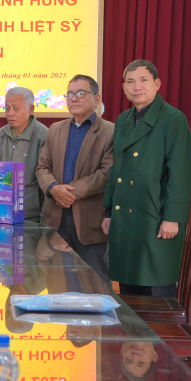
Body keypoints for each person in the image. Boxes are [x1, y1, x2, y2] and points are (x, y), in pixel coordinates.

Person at [102, 60, 191, 298]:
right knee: (129, 288)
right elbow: (117, 170)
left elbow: (181, 173)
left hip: (156, 216)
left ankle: (160, 326)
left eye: (143, 80)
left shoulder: (173, 119)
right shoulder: (123, 119)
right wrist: (109, 211)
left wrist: (172, 218)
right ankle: (132, 324)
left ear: (157, 84)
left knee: (158, 287)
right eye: (130, 82)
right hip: (125, 217)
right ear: (124, 88)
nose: (137, 87)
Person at [36, 75, 114, 280]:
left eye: (80, 93)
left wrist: (69, 193)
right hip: (56, 221)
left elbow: (108, 172)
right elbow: (42, 167)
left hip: (90, 225)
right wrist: (53, 188)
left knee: (94, 285)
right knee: (58, 284)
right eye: (69, 94)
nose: (74, 98)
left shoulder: (110, 131)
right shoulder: (55, 129)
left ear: (96, 99)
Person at [0, 87, 49, 221]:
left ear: (31, 109)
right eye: (7, 108)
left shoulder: (43, 136)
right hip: (2, 212)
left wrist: (45, 216)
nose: (10, 113)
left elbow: (48, 178)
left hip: (31, 214)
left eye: (16, 108)